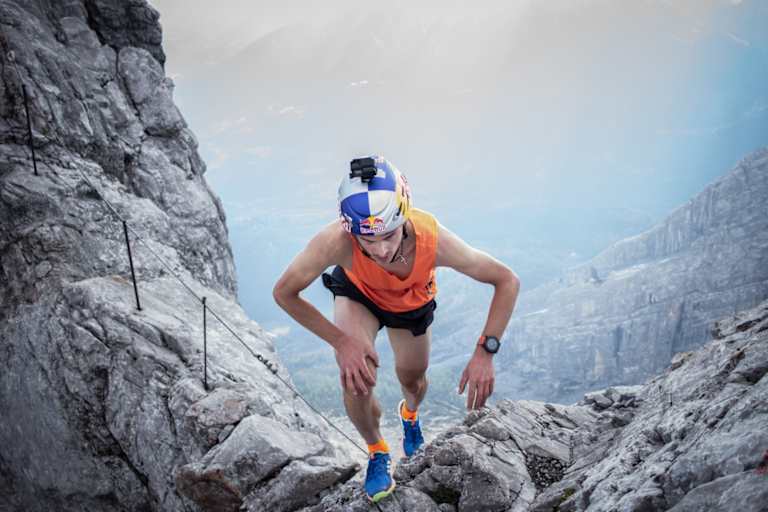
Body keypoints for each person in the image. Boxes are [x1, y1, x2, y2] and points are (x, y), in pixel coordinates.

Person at [272, 155, 520, 503]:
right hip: (358, 295)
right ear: (350, 229)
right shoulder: (337, 241)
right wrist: (342, 342)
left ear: (404, 215)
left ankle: (410, 414)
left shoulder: (432, 241)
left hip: (411, 305)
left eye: (388, 235)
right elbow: (284, 292)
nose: (381, 249)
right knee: (356, 377)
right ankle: (376, 449)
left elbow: (506, 280)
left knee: (413, 379)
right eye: (366, 239)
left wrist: (484, 352)